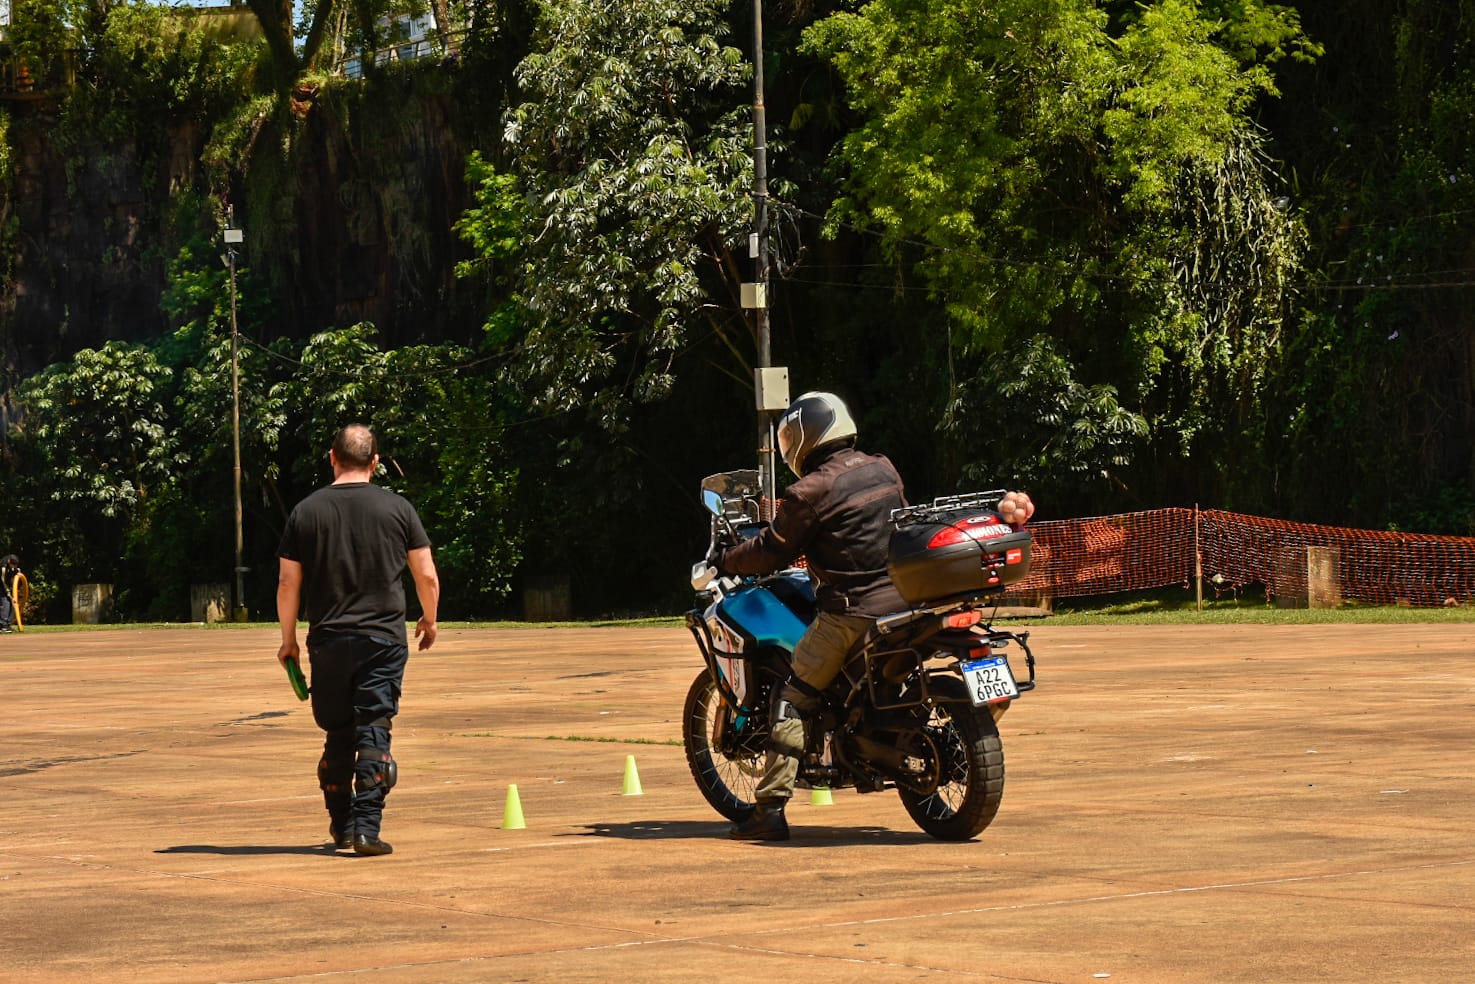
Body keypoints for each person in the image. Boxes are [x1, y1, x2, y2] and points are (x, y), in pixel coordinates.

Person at [712, 391, 909, 842]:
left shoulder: (809, 491)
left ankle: (769, 811)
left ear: (802, 438)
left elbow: (771, 551)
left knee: (793, 695)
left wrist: (727, 560)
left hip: (853, 611)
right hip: (906, 600)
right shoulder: (883, 466)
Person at [276, 424, 440, 857]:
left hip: (327, 640)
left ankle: (342, 825)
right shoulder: (398, 508)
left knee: (338, 732)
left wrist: (288, 640)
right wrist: (429, 618)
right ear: (375, 462)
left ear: (332, 457)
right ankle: (367, 830)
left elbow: (288, 583)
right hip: (382, 639)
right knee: (374, 731)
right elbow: (425, 574)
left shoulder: (305, 512)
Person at [1, 554, 22, 632]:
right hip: (2, 584)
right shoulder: (3, 566)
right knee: (6, 602)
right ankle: (3, 625)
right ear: (9, 562)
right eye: (12, 565)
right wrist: (8, 593)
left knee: (14, 603)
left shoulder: (14, 564)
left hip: (9, 583)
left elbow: (15, 572)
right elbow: (3, 581)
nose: (13, 567)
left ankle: (8, 624)